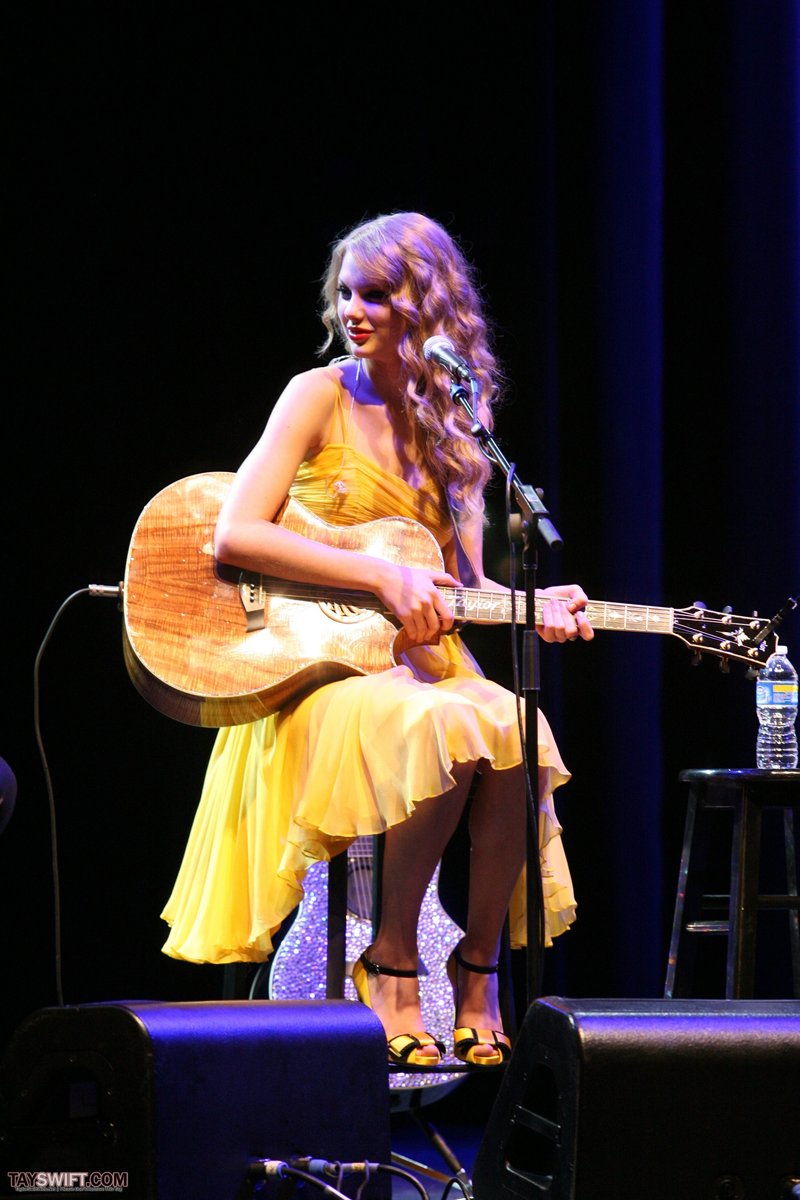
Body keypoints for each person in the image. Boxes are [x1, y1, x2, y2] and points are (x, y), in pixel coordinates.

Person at [161, 211, 593, 1068]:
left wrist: (536, 601)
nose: (354, 312)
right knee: (448, 724)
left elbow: (463, 585)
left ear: (428, 308)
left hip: (420, 665)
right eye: (347, 294)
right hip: (319, 674)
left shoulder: (459, 418)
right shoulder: (317, 395)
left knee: (520, 731)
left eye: (378, 295)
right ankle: (392, 959)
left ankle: (477, 970)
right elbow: (236, 533)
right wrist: (379, 576)